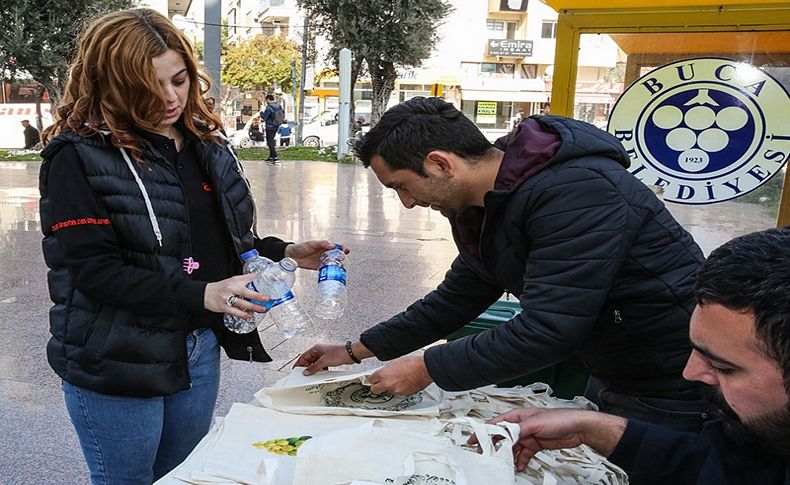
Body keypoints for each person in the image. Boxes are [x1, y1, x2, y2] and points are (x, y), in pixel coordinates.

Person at [38, 8, 344, 484]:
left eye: (179, 80)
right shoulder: (79, 157)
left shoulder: (206, 144)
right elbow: (93, 271)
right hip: (117, 357)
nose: (169, 97)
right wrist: (204, 293)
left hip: (197, 349)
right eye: (148, 86)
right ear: (112, 85)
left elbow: (221, 240)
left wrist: (284, 250)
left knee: (183, 476)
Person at [296, 96, 709, 432]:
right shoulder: (486, 205)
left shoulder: (577, 190)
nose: (407, 203)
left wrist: (428, 367)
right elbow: (458, 296)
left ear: (441, 163)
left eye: (402, 186)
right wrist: (356, 350)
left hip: (674, 383)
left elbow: (550, 328)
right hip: (614, 368)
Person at [487, 227, 790, 483]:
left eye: (723, 367)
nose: (690, 372)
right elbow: (727, 469)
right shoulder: (762, 429)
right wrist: (593, 428)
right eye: (695, 350)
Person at [260, 94, 282, 164]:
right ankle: (271, 156)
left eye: (266, 100)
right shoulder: (278, 106)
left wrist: (261, 112)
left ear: (268, 100)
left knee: (270, 142)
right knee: (271, 140)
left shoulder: (269, 107)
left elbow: (264, 116)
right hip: (276, 125)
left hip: (269, 126)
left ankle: (274, 156)